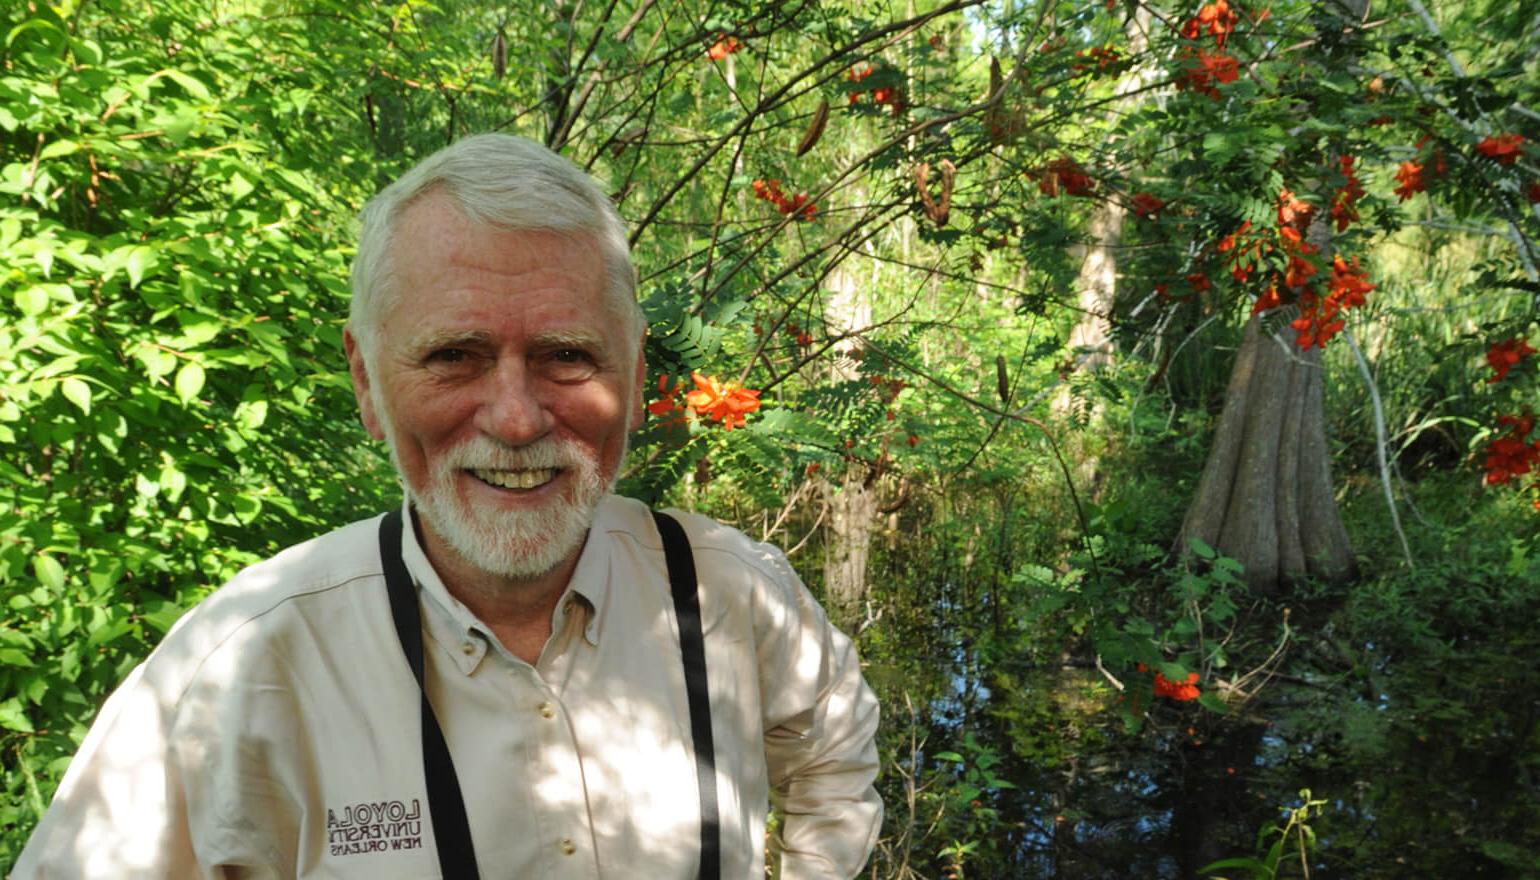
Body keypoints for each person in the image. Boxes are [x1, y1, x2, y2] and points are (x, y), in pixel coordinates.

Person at [13, 134, 882, 879]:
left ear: (635, 364)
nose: (515, 418)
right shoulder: (239, 666)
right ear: (365, 378)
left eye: (568, 354)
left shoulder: (731, 592)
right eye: (454, 355)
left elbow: (836, 753)